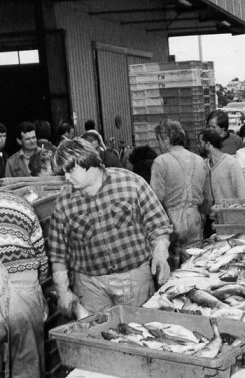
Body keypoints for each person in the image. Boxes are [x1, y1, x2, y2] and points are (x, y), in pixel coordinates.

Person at [47, 138, 171, 315]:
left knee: (140, 331)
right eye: (63, 173)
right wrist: (63, 290)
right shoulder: (64, 203)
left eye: (70, 170)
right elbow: (58, 254)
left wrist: (160, 251)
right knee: (97, 336)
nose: (66, 178)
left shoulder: (132, 183)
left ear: (87, 161)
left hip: (135, 279)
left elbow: (158, 225)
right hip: (90, 287)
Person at [0, 191, 49, 378]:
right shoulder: (20, 203)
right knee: (28, 363)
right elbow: (40, 255)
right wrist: (39, 288)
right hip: (23, 288)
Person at [151, 120, 208, 270]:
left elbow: (156, 199)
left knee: (171, 270)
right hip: (195, 217)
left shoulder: (160, 162)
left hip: (171, 220)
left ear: (166, 139)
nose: (159, 145)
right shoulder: (200, 160)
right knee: (196, 267)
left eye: (159, 140)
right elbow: (207, 197)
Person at [199, 129, 245, 207]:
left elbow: (243, 193)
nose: (198, 146)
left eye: (200, 143)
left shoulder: (231, 163)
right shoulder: (203, 165)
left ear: (208, 144)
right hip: (212, 216)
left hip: (230, 214)